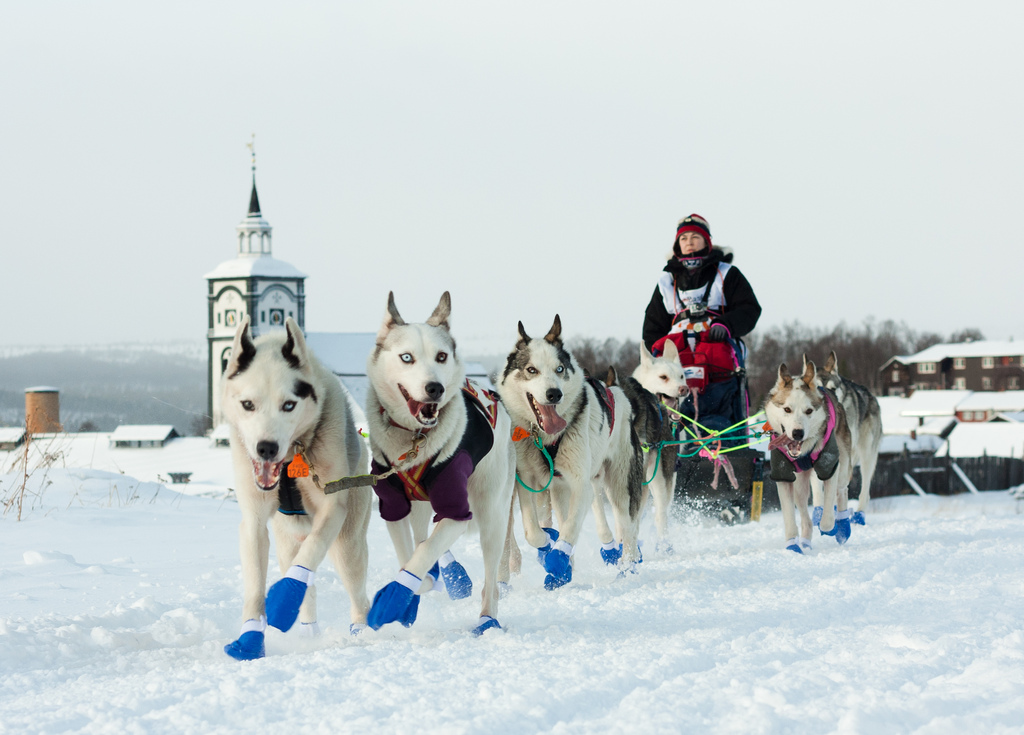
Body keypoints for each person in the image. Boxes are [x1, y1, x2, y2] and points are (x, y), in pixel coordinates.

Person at [642, 213, 762, 442]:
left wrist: (726, 325)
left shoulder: (726, 274)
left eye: (695, 236)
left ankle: (730, 449)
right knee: (671, 420)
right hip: (679, 366)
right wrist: (657, 352)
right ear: (677, 244)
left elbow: (750, 309)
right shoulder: (667, 282)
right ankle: (672, 456)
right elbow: (652, 326)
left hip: (719, 365)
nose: (689, 241)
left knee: (721, 418)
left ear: (707, 241)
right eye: (683, 238)